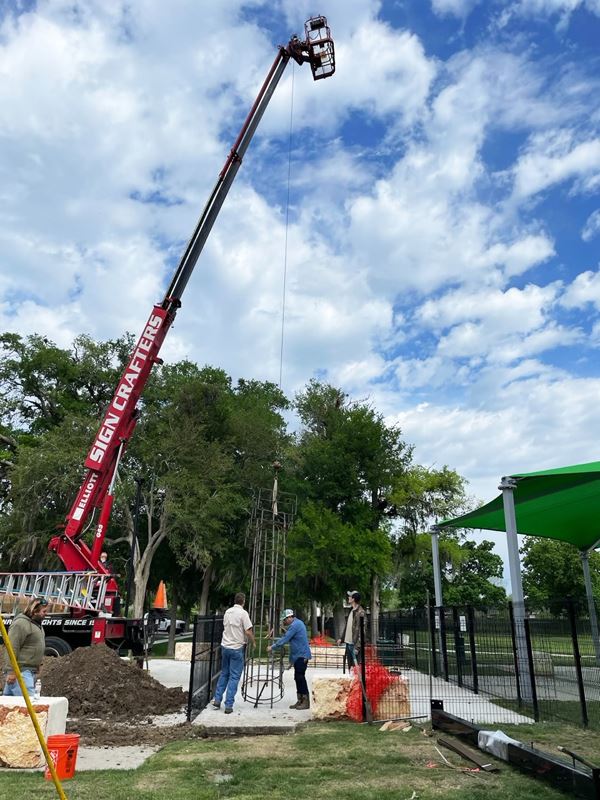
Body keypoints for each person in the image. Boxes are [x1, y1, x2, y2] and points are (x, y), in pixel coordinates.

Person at [211, 592, 255, 714]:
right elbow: (248, 631)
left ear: (235, 601)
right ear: (243, 601)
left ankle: (217, 699)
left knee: (224, 673)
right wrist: (253, 642)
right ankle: (229, 704)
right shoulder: (243, 613)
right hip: (236, 647)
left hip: (225, 646)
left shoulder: (227, 612)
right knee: (234, 676)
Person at [3, 597, 48, 697]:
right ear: (34, 611)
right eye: (43, 611)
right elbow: (12, 647)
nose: (46, 613)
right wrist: (11, 671)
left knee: (7, 707)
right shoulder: (20, 624)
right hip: (21, 673)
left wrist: (38, 664)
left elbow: (34, 646)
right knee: (27, 707)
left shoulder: (37, 625)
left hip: (28, 672)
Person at [268, 609, 312, 710]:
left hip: (302, 655)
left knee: (300, 677)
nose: (284, 622)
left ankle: (305, 701)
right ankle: (300, 700)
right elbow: (289, 637)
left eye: (285, 620)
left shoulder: (295, 625)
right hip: (298, 656)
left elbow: (285, 639)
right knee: (297, 677)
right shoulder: (296, 624)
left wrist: (272, 647)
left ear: (289, 617)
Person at [337, 590, 367, 668]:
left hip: (354, 645)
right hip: (348, 644)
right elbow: (348, 627)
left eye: (350, 596)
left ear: (353, 599)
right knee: (350, 669)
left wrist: (357, 647)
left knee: (356, 670)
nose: (348, 597)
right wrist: (342, 638)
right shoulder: (352, 611)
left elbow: (362, 632)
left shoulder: (361, 612)